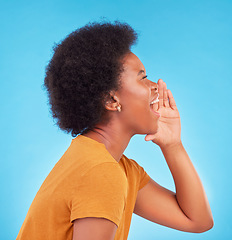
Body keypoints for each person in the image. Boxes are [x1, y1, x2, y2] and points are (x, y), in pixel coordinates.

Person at [16, 21, 213, 240]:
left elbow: (197, 221)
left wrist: (173, 145)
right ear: (111, 99)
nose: (155, 86)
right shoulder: (100, 171)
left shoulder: (116, 167)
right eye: (142, 77)